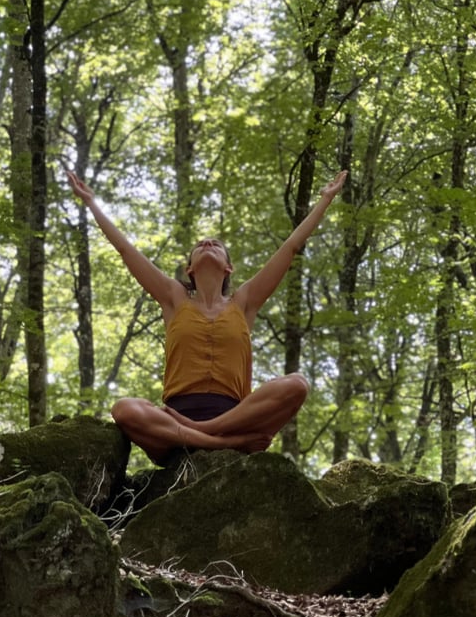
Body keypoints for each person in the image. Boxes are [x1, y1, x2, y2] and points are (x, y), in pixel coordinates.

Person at [67, 169, 348, 463]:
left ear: (229, 268)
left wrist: (325, 200)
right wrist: (92, 203)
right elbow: (125, 249)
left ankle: (205, 431)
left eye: (215, 245)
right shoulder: (174, 299)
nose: (207, 245)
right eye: (200, 245)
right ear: (189, 269)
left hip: (235, 417)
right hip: (173, 423)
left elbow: (291, 247)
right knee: (124, 408)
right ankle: (219, 442)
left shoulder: (244, 303)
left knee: (297, 385)